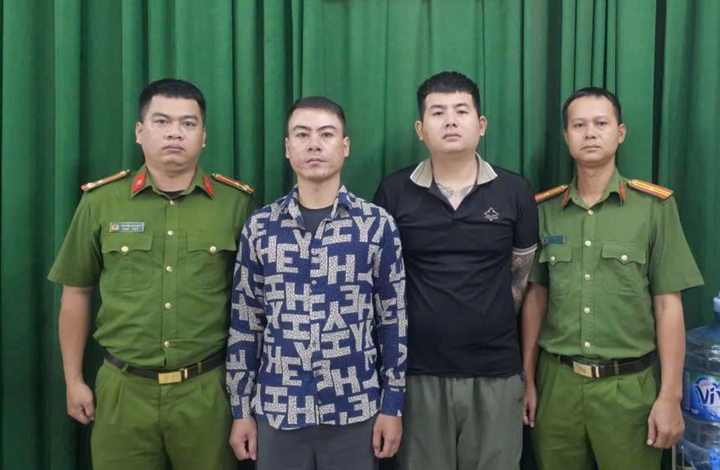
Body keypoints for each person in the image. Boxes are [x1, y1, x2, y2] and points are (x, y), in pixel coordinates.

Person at [48, 78, 255, 470]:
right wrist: (73, 381)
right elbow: (76, 292)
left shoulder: (235, 204)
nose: (175, 133)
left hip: (207, 393)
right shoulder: (101, 202)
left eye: (188, 124)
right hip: (123, 392)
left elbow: (253, 304)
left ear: (204, 136)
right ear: (139, 131)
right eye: (162, 122)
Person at [522, 87, 704, 469]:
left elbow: (668, 306)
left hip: (629, 391)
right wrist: (528, 379)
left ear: (620, 133)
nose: (590, 132)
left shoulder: (654, 208)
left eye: (601, 123)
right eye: (579, 125)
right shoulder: (544, 210)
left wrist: (670, 396)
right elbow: (536, 298)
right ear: (566, 136)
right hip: (558, 387)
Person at [227, 96, 407, 470]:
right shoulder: (261, 227)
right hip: (279, 410)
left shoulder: (376, 225)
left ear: (345, 146)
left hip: (355, 410)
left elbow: (393, 321)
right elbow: (246, 323)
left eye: (326, 134)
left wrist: (393, 405)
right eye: (302, 134)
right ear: (287, 147)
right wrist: (241, 410)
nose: (314, 145)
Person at [373, 71, 539, 470]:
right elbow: (381, 288)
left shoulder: (515, 191)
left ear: (481, 125)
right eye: (438, 112)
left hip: (497, 372)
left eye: (461, 111)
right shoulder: (394, 191)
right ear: (420, 129)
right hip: (418, 373)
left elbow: (521, 279)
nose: (450, 121)